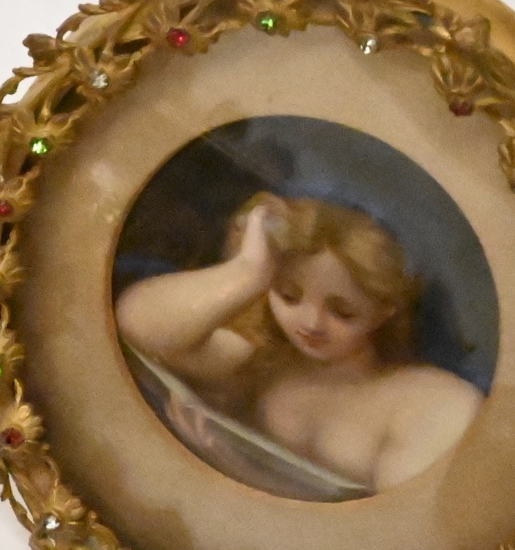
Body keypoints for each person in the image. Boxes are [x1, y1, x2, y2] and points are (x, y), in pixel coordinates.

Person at [115, 193, 483, 500]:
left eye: (342, 311)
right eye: (289, 296)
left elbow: (398, 532)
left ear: (384, 311)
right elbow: (139, 325)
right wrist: (247, 272)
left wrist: (241, 471)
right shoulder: (267, 361)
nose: (311, 323)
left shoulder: (432, 402)